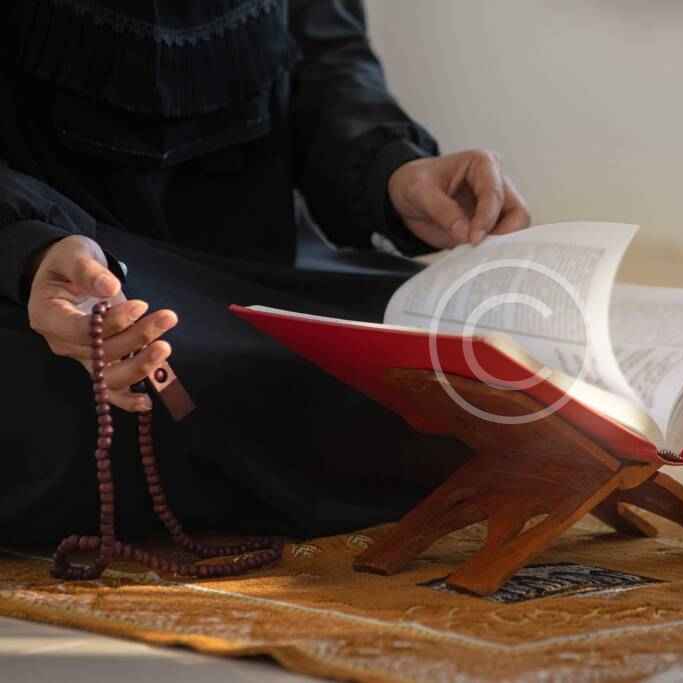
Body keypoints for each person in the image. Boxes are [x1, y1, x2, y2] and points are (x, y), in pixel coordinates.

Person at [0, 1, 530, 545]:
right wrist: (28, 247)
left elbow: (327, 60)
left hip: (265, 274)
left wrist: (394, 169)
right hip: (59, 278)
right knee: (87, 392)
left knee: (479, 352)